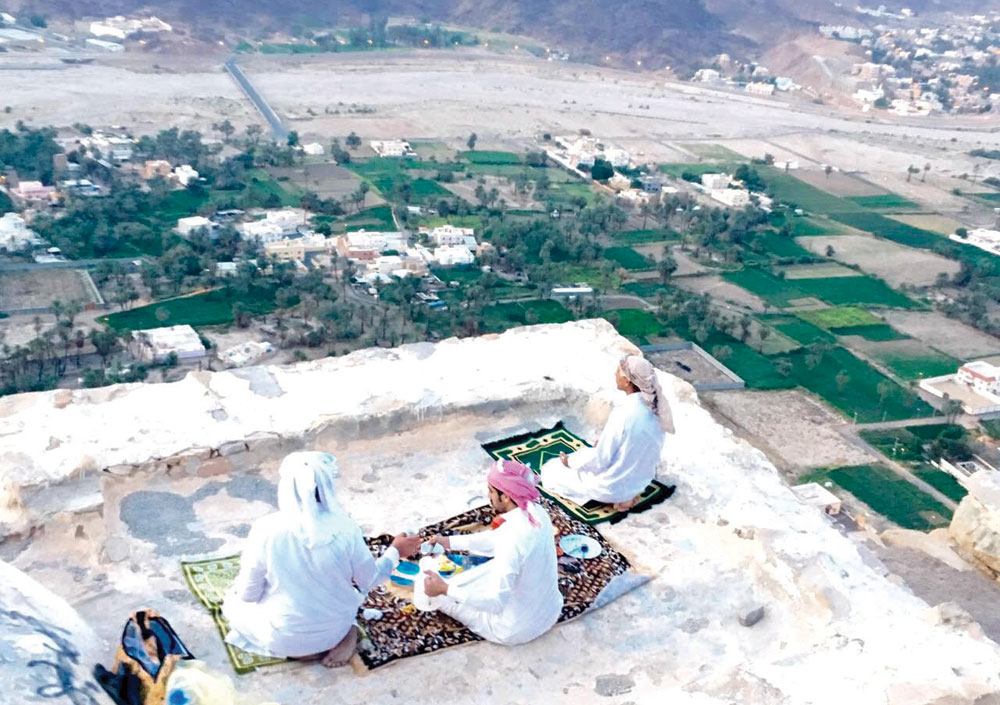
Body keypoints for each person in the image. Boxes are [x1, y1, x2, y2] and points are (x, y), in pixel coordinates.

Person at [222, 451, 422, 668]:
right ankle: (347, 633)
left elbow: (249, 595)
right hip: (333, 631)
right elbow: (369, 580)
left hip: (282, 638)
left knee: (233, 602)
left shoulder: (265, 530)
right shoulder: (345, 528)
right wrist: (395, 551)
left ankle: (303, 651)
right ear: (327, 486)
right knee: (343, 598)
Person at [422, 459, 563, 645]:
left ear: (505, 496)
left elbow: (495, 603)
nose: (488, 496)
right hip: (551, 612)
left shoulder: (512, 540)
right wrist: (448, 542)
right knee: (490, 571)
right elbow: (496, 539)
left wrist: (444, 589)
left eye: (491, 490)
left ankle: (442, 594)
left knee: (440, 595)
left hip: (513, 630)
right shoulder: (537, 513)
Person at [540, 354, 675, 511]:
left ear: (627, 380)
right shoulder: (657, 407)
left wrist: (569, 461)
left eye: (618, 371)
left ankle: (616, 499)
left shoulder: (624, 413)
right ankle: (626, 495)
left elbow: (601, 460)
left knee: (550, 471)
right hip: (641, 481)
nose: (615, 374)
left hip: (613, 487)